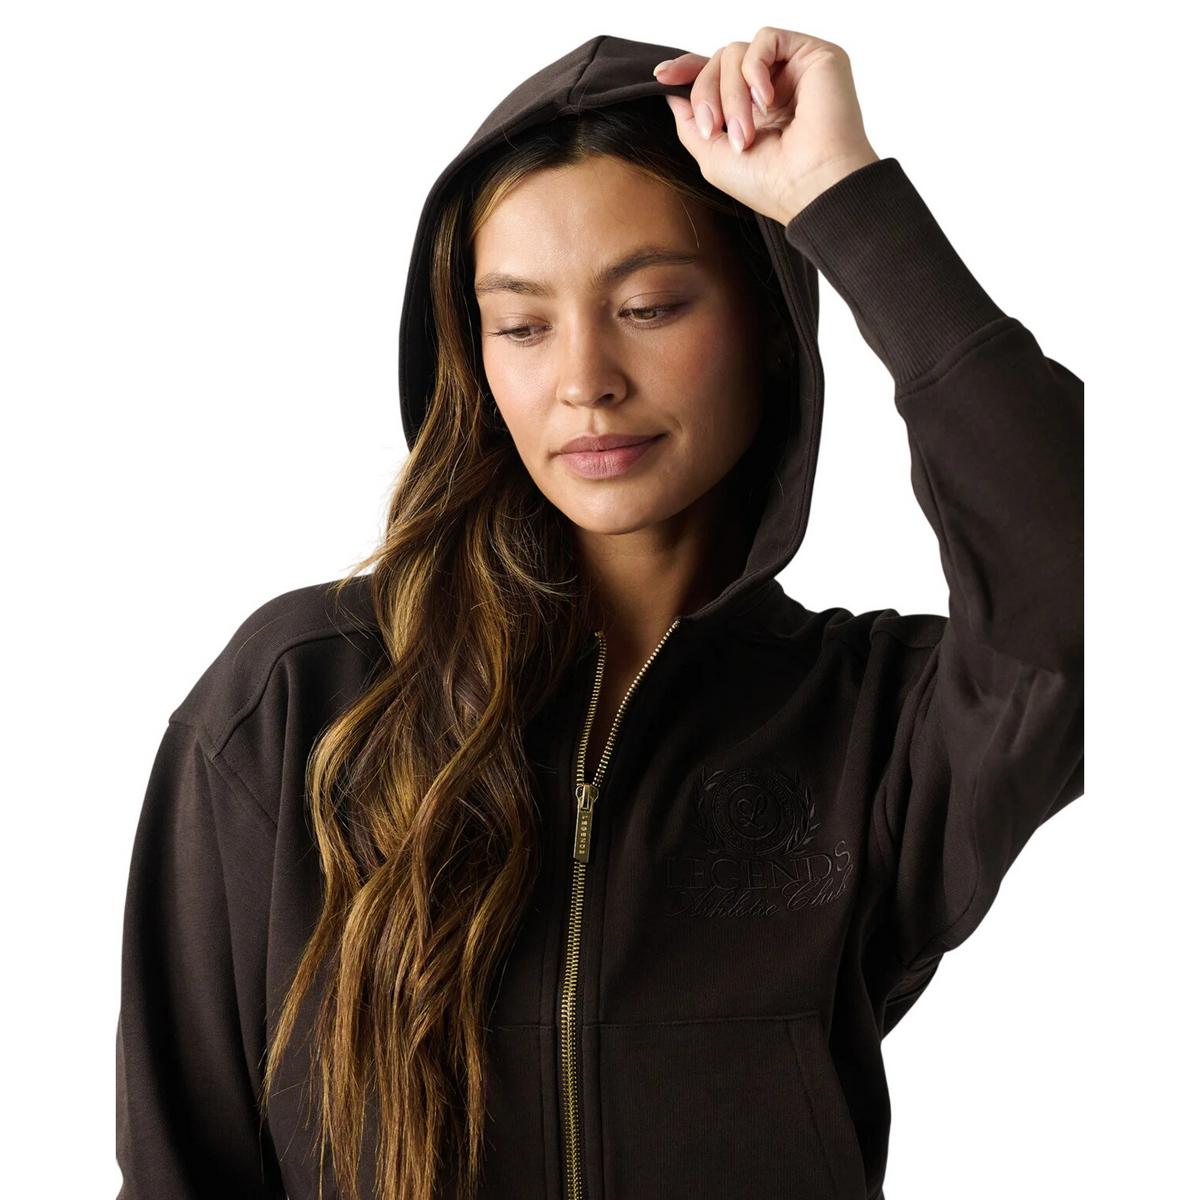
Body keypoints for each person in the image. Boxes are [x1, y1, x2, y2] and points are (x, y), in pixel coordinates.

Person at [114, 28, 1084, 1200]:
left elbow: (1089, 585)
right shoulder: (299, 702)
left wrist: (842, 199)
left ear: (771, 332)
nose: (585, 380)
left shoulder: (874, 725)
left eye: (651, 306)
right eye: (523, 325)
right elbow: (180, 1170)